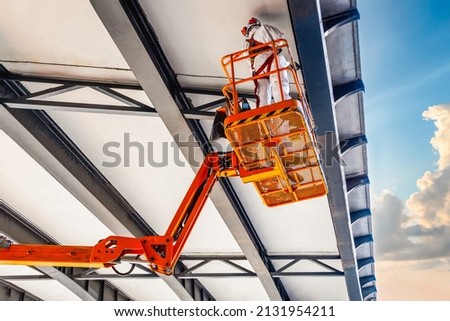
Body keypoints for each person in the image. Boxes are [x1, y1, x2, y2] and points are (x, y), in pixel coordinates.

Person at [241, 17, 291, 108]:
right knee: (278, 84)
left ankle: (262, 115)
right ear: (257, 24)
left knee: (262, 93)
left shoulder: (245, 46)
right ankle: (286, 108)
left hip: (258, 69)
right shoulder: (264, 29)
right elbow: (281, 40)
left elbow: (249, 62)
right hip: (274, 61)